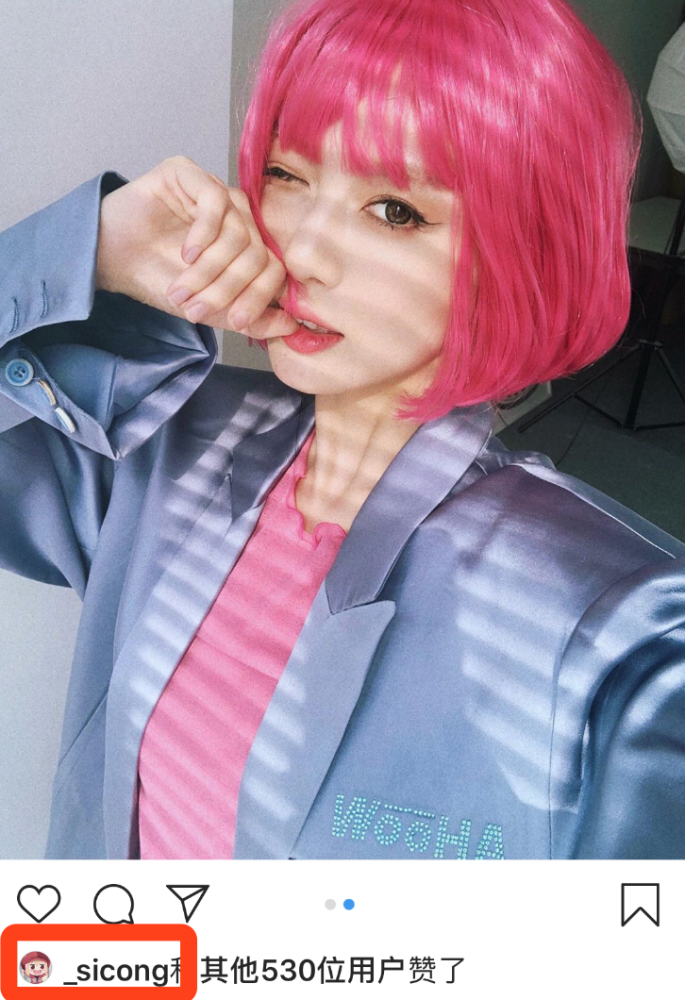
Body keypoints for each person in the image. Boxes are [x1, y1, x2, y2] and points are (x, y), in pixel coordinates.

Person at [1, 0, 685, 861]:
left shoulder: (616, 631)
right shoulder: (162, 438)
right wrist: (88, 251)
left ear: (523, 254)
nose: (303, 252)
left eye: (395, 210)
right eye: (284, 175)